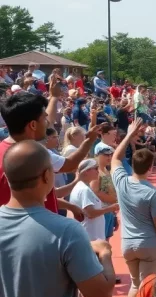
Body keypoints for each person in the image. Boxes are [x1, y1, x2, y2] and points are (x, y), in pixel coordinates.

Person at [0, 141, 115, 297]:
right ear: (46, 176)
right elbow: (101, 295)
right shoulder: (66, 231)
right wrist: (105, 254)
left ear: (6, 178)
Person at [0, 87, 103, 215]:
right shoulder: (34, 154)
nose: (47, 123)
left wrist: (69, 206)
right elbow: (70, 164)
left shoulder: (4, 150)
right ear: (33, 125)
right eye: (44, 119)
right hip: (39, 229)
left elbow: (40, 197)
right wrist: (89, 141)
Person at [111, 119, 156, 297]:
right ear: (151, 167)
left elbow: (115, 158)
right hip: (150, 245)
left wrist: (128, 136)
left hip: (127, 245)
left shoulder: (122, 182)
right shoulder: (152, 193)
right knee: (150, 288)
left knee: (135, 286)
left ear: (132, 165)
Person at [70, 158, 121, 297]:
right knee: (88, 286)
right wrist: (111, 208)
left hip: (92, 240)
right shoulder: (83, 190)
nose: (97, 172)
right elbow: (89, 213)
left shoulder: (84, 188)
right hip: (89, 242)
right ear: (85, 172)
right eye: (93, 169)